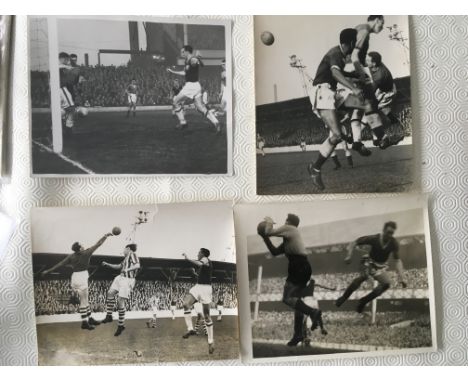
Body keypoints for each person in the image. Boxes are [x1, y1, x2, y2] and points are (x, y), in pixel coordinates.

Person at [307, 28, 365, 190]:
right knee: (338, 135)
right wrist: (353, 87)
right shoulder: (335, 54)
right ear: (352, 42)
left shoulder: (338, 55)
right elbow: (335, 74)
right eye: (356, 43)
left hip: (330, 93)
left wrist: (352, 76)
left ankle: (358, 140)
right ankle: (315, 168)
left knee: (359, 102)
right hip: (322, 92)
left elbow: (338, 72)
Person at [258, 214, 322, 346]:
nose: (284, 223)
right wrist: (265, 238)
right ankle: (298, 334)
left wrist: (269, 222)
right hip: (303, 266)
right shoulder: (290, 238)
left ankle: (312, 312)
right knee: (295, 301)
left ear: (288, 222)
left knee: (287, 298)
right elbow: (275, 252)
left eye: (285, 221)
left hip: (297, 265)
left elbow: (268, 231)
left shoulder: (290, 228)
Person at [40, 232, 113, 330]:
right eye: (81, 244)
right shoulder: (86, 253)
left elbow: (60, 264)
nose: (83, 245)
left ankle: (90, 318)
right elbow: (98, 244)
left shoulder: (71, 256)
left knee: (86, 300)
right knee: (84, 301)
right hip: (82, 277)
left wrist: (48, 271)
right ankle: (84, 323)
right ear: (80, 248)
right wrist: (105, 236)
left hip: (74, 277)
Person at [336, 221, 407, 313]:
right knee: (364, 276)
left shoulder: (393, 243)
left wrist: (402, 277)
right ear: (384, 230)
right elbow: (354, 242)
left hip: (380, 266)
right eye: (388, 232)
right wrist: (349, 255)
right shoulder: (374, 238)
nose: (389, 235)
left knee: (387, 284)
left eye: (392, 233)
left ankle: (363, 301)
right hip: (368, 262)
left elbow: (397, 260)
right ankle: (343, 297)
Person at [167, 45, 220, 132]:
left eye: (183, 51)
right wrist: (173, 71)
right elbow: (185, 72)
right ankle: (216, 122)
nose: (181, 53)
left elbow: (197, 62)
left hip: (190, 86)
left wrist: (198, 58)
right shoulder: (187, 60)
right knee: (200, 108)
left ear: (187, 51)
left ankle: (183, 122)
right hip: (196, 86)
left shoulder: (192, 59)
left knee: (175, 102)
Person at [100, 244, 140, 336]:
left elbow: (137, 265)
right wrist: (108, 264)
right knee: (110, 293)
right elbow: (119, 266)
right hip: (120, 278)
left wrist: (127, 269)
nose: (123, 251)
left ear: (128, 249)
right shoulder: (126, 258)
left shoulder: (133, 254)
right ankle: (109, 315)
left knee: (120, 302)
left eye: (124, 249)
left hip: (127, 280)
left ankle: (121, 325)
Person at [181, 248, 215, 354]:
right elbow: (201, 276)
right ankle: (191, 329)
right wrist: (195, 274)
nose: (197, 254)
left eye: (198, 252)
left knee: (207, 316)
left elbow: (199, 264)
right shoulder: (203, 264)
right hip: (198, 287)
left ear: (203, 254)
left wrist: (187, 259)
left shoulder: (206, 260)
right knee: (186, 304)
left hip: (206, 289)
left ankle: (210, 342)